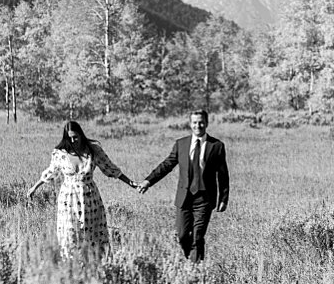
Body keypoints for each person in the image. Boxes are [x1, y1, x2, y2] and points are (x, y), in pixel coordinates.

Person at [27, 120, 137, 261]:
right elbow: (51, 172)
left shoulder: (93, 151)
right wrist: (34, 188)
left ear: (81, 134)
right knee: (69, 235)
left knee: (92, 235)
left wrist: (130, 183)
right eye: (70, 138)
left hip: (90, 199)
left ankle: (95, 266)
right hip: (68, 200)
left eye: (76, 137)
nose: (73, 141)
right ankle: (71, 268)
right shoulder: (60, 153)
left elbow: (110, 168)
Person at [136, 110, 229, 263]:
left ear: (206, 123)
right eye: (194, 122)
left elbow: (223, 175)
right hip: (184, 198)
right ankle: (189, 260)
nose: (198, 125)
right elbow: (167, 165)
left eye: (201, 122)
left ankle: (195, 270)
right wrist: (148, 181)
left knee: (198, 235)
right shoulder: (181, 144)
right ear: (190, 124)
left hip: (204, 199)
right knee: (182, 235)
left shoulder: (216, 146)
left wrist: (223, 199)